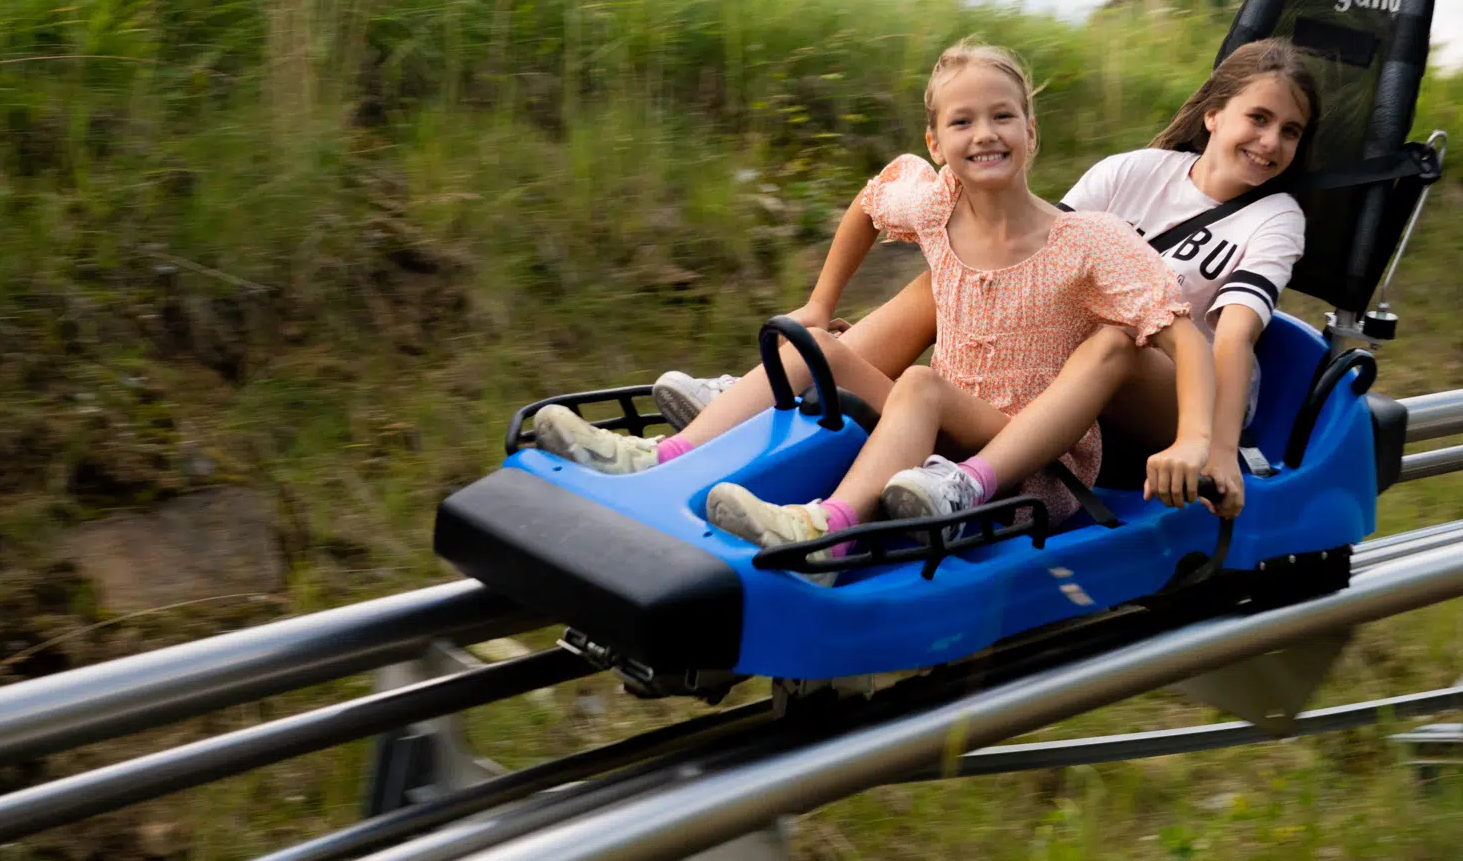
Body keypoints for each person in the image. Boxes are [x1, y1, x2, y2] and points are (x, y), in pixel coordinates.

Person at [544, 39, 1321, 518]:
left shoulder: (1273, 216)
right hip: (1048, 381)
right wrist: (823, 306)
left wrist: (1212, 446)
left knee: (1116, 332)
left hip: (1179, 392)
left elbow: (1232, 335)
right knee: (942, 280)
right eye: (1258, 119)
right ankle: (743, 405)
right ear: (1215, 114)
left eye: (1289, 132)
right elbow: (1028, 255)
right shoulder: (1136, 173)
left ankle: (968, 477)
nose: (1270, 141)